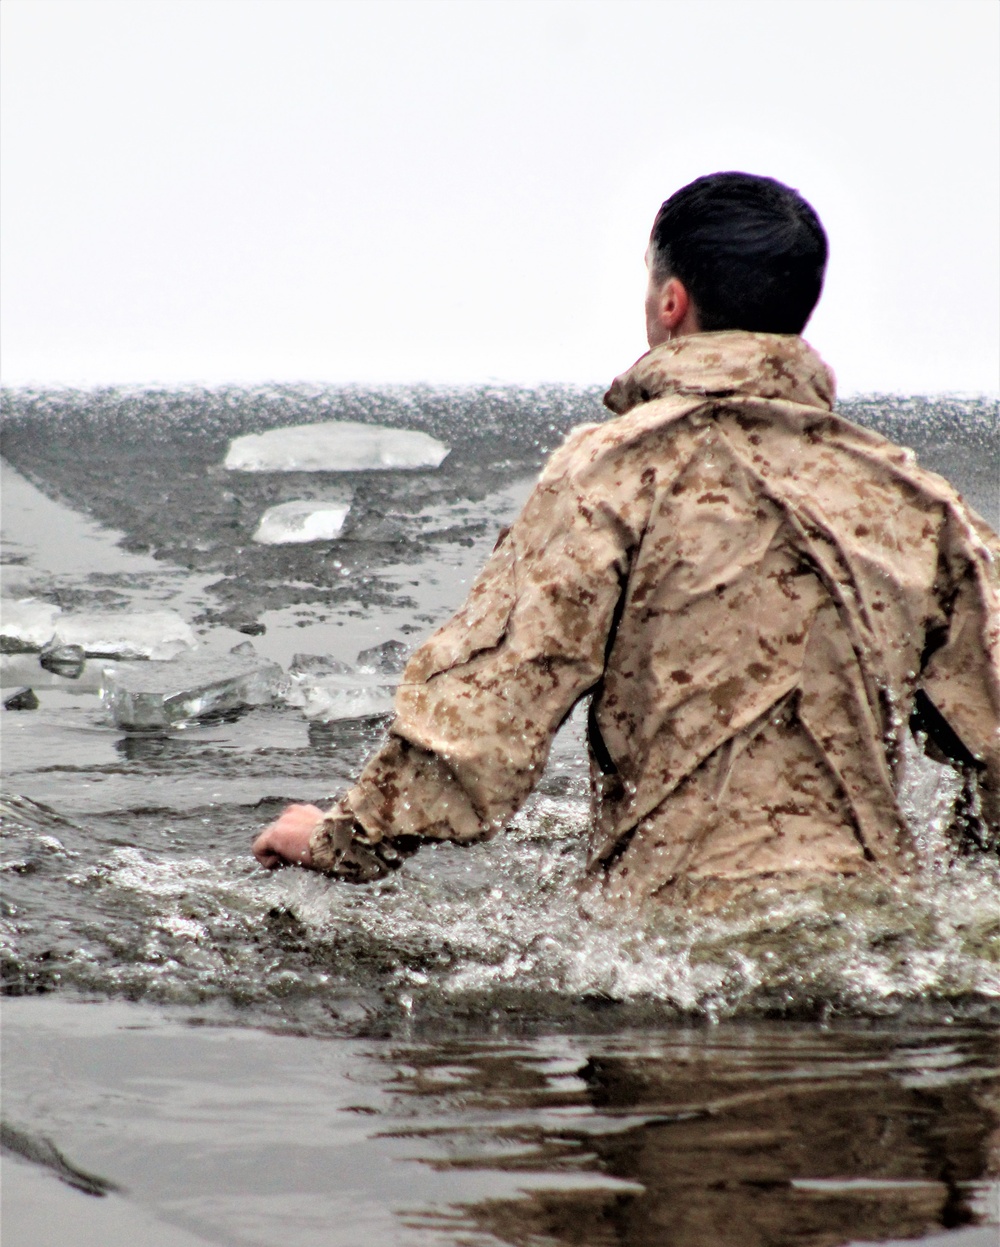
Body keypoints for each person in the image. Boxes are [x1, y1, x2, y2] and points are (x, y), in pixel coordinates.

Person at [253, 171, 999, 903]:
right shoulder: (915, 501)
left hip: (676, 937)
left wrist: (342, 839)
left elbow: (494, 705)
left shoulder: (615, 470)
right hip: (875, 924)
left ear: (672, 302)